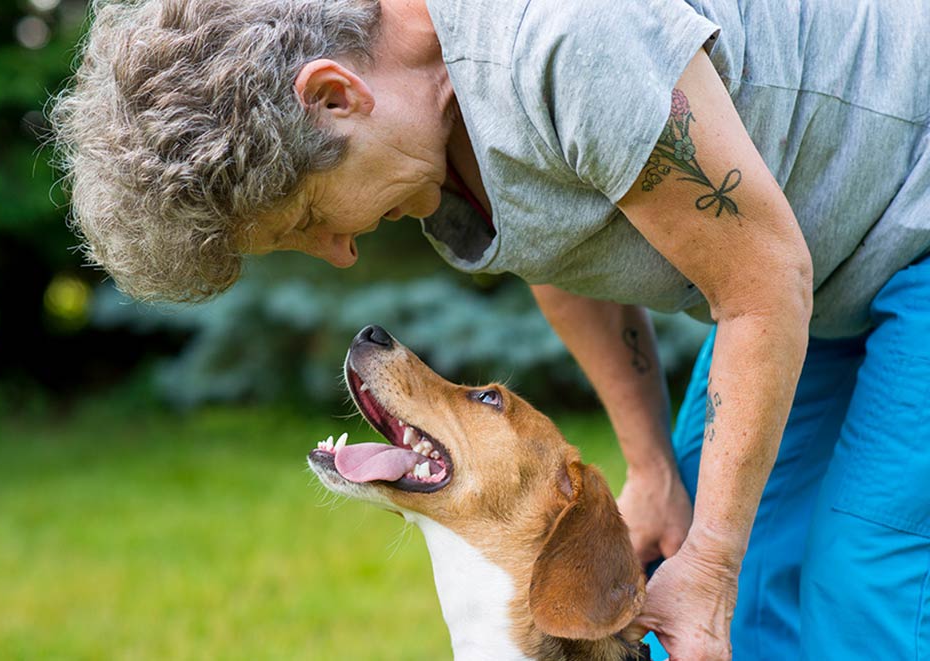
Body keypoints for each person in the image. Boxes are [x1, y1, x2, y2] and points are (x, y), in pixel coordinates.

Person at [51, 0, 930, 658]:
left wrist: (716, 559)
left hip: (903, 226)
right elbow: (563, 250)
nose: (341, 253)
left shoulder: (564, 37)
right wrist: (656, 466)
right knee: (718, 566)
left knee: (863, 573)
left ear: (333, 96)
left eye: (310, 219)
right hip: (825, 272)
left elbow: (765, 284)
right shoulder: (432, 131)